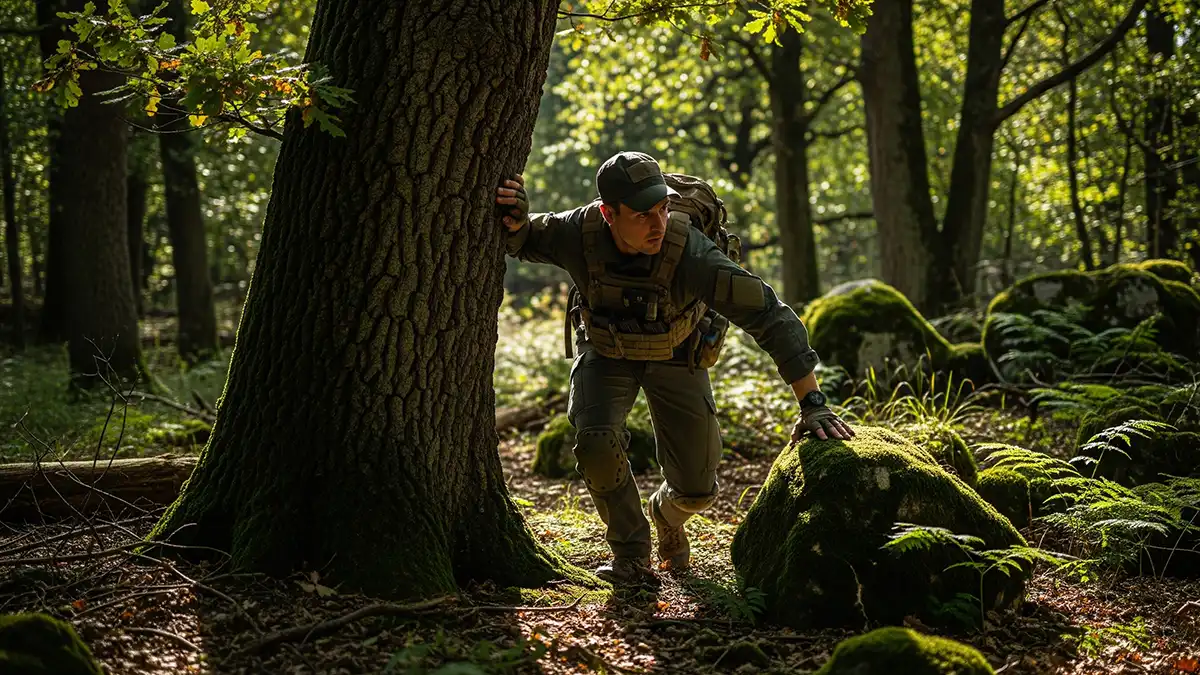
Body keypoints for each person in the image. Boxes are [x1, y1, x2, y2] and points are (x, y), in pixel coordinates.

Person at [495, 151, 855, 584]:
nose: (658, 224)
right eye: (644, 214)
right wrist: (516, 222)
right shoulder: (580, 230)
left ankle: (666, 515)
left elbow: (771, 316)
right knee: (595, 443)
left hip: (676, 355)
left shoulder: (691, 253)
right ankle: (630, 555)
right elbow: (528, 237)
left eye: (664, 208)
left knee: (698, 489)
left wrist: (813, 403)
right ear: (609, 213)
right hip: (606, 353)